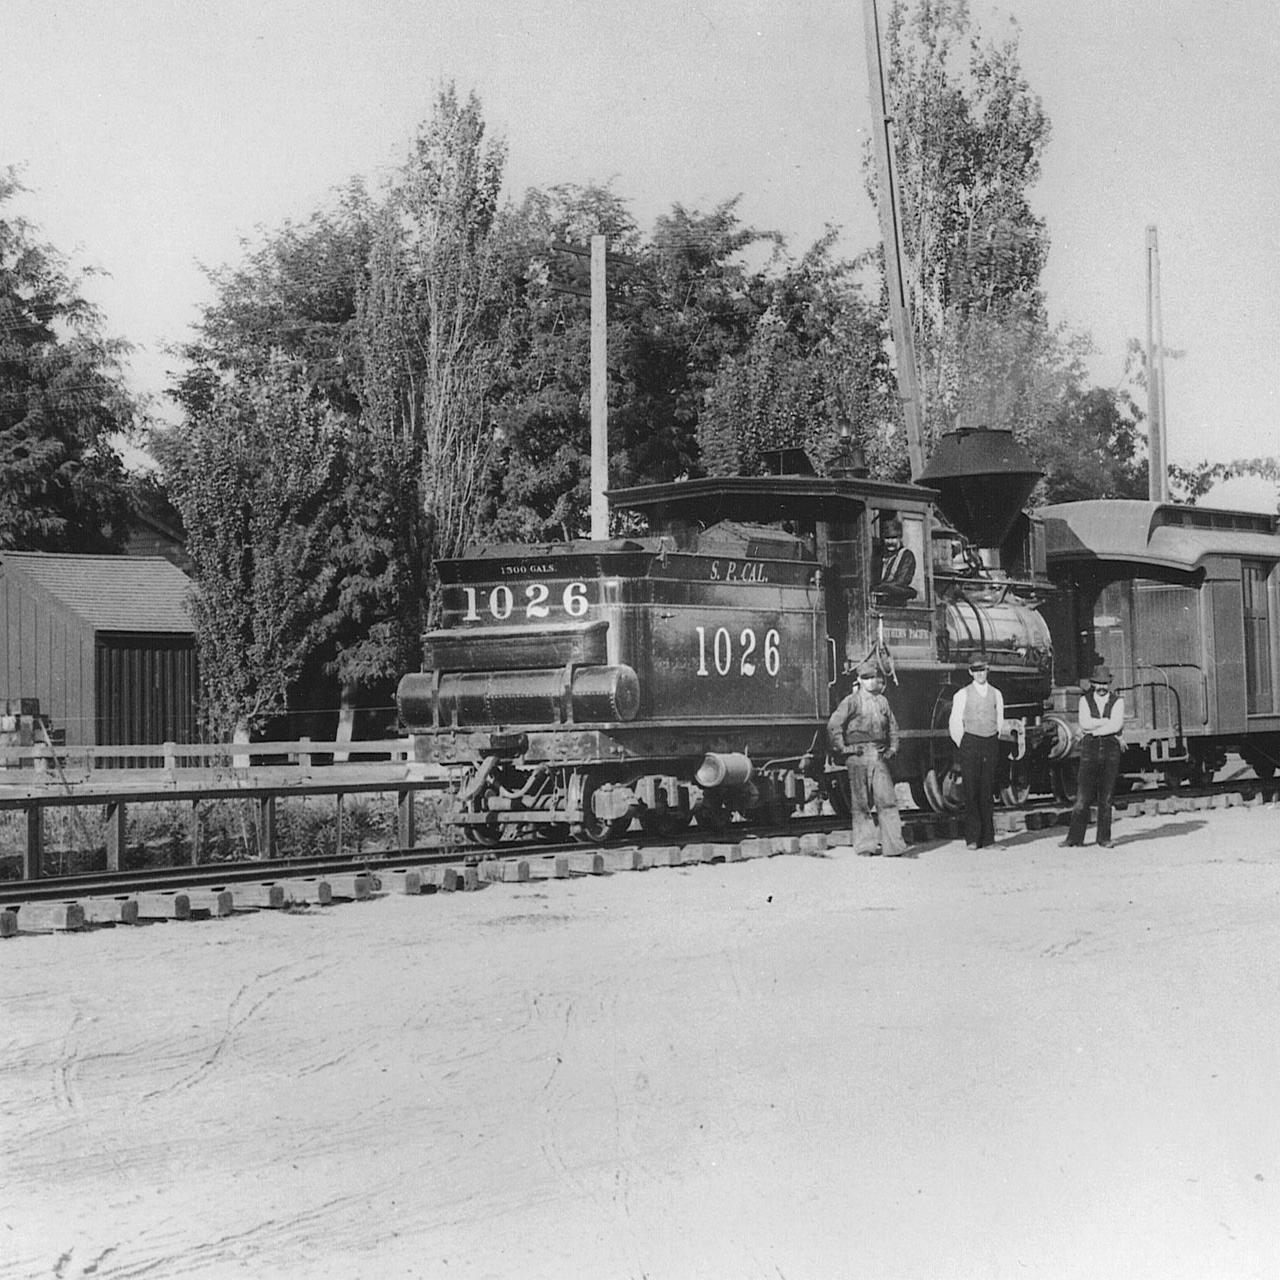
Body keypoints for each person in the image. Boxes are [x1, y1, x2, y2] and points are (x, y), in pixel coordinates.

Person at [827, 660, 909, 857]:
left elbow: (892, 728)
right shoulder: (851, 701)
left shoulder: (883, 702)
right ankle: (865, 846)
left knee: (887, 800)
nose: (872, 682)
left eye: (875, 678)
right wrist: (843, 748)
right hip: (857, 756)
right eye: (867, 678)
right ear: (859, 680)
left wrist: (892, 749)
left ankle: (893, 847)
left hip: (878, 755)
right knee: (861, 803)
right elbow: (834, 725)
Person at [1063, 664, 1125, 848]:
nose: (1101, 687)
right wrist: (1105, 722)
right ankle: (1074, 838)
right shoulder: (1084, 700)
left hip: (1110, 750)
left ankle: (1103, 838)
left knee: (1106, 798)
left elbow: (1116, 726)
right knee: (1082, 797)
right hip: (1089, 750)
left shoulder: (1118, 701)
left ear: (1109, 684)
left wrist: (1094, 728)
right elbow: (1084, 723)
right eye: (1098, 683)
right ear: (1092, 683)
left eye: (1105, 684)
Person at [948, 656, 1006, 849]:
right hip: (970, 742)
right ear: (970, 672)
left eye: (983, 670)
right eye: (977, 670)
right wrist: (963, 742)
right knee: (971, 790)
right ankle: (973, 838)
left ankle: (988, 839)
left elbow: (999, 719)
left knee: (987, 790)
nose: (980, 674)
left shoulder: (996, 694)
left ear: (988, 670)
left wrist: (992, 737)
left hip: (989, 741)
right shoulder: (962, 694)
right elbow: (955, 722)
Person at [873, 518, 917, 604]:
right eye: (887, 538)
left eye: (893, 538)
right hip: (880, 602)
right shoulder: (880, 556)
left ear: (900, 538)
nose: (890, 542)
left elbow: (901, 581)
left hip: (897, 603)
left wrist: (881, 587)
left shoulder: (906, 555)